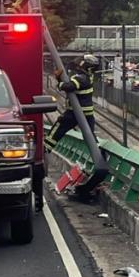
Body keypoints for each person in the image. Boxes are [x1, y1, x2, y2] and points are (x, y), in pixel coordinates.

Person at [45, 54, 100, 206]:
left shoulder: (81, 78)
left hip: (74, 113)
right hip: (86, 114)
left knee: (56, 131)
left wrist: (59, 81)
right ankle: (98, 157)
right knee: (90, 138)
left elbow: (68, 86)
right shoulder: (88, 77)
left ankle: (45, 149)